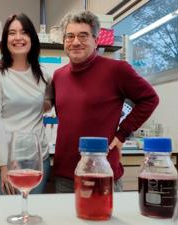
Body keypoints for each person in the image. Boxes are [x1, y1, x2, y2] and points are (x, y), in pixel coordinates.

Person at [52, 11, 159, 193]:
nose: (76, 42)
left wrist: (122, 133)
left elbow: (150, 99)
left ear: (96, 40)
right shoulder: (58, 76)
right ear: (64, 41)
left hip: (102, 173)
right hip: (65, 176)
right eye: (70, 36)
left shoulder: (117, 70)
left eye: (83, 36)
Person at [0, 13, 52, 195]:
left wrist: (45, 105)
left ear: (32, 38)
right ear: (5, 39)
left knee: (32, 216)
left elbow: (48, 101)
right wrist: (3, 166)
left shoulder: (43, 75)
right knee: (4, 216)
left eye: (24, 32)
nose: (18, 38)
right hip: (5, 161)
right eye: (12, 33)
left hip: (37, 159)